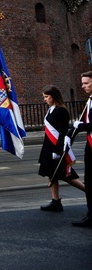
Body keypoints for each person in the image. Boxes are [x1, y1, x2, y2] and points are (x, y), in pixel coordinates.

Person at [38, 85, 85, 212]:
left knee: (66, 176)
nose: (45, 99)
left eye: (47, 97)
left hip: (57, 147)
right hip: (48, 146)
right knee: (51, 173)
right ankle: (55, 201)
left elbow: (62, 132)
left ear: (54, 97)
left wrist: (57, 151)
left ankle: (87, 191)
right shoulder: (51, 110)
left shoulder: (61, 111)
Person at [64, 70, 92, 228]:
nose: (82, 86)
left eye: (86, 83)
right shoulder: (90, 100)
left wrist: (82, 126)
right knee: (89, 181)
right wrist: (71, 133)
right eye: (82, 83)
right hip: (90, 147)